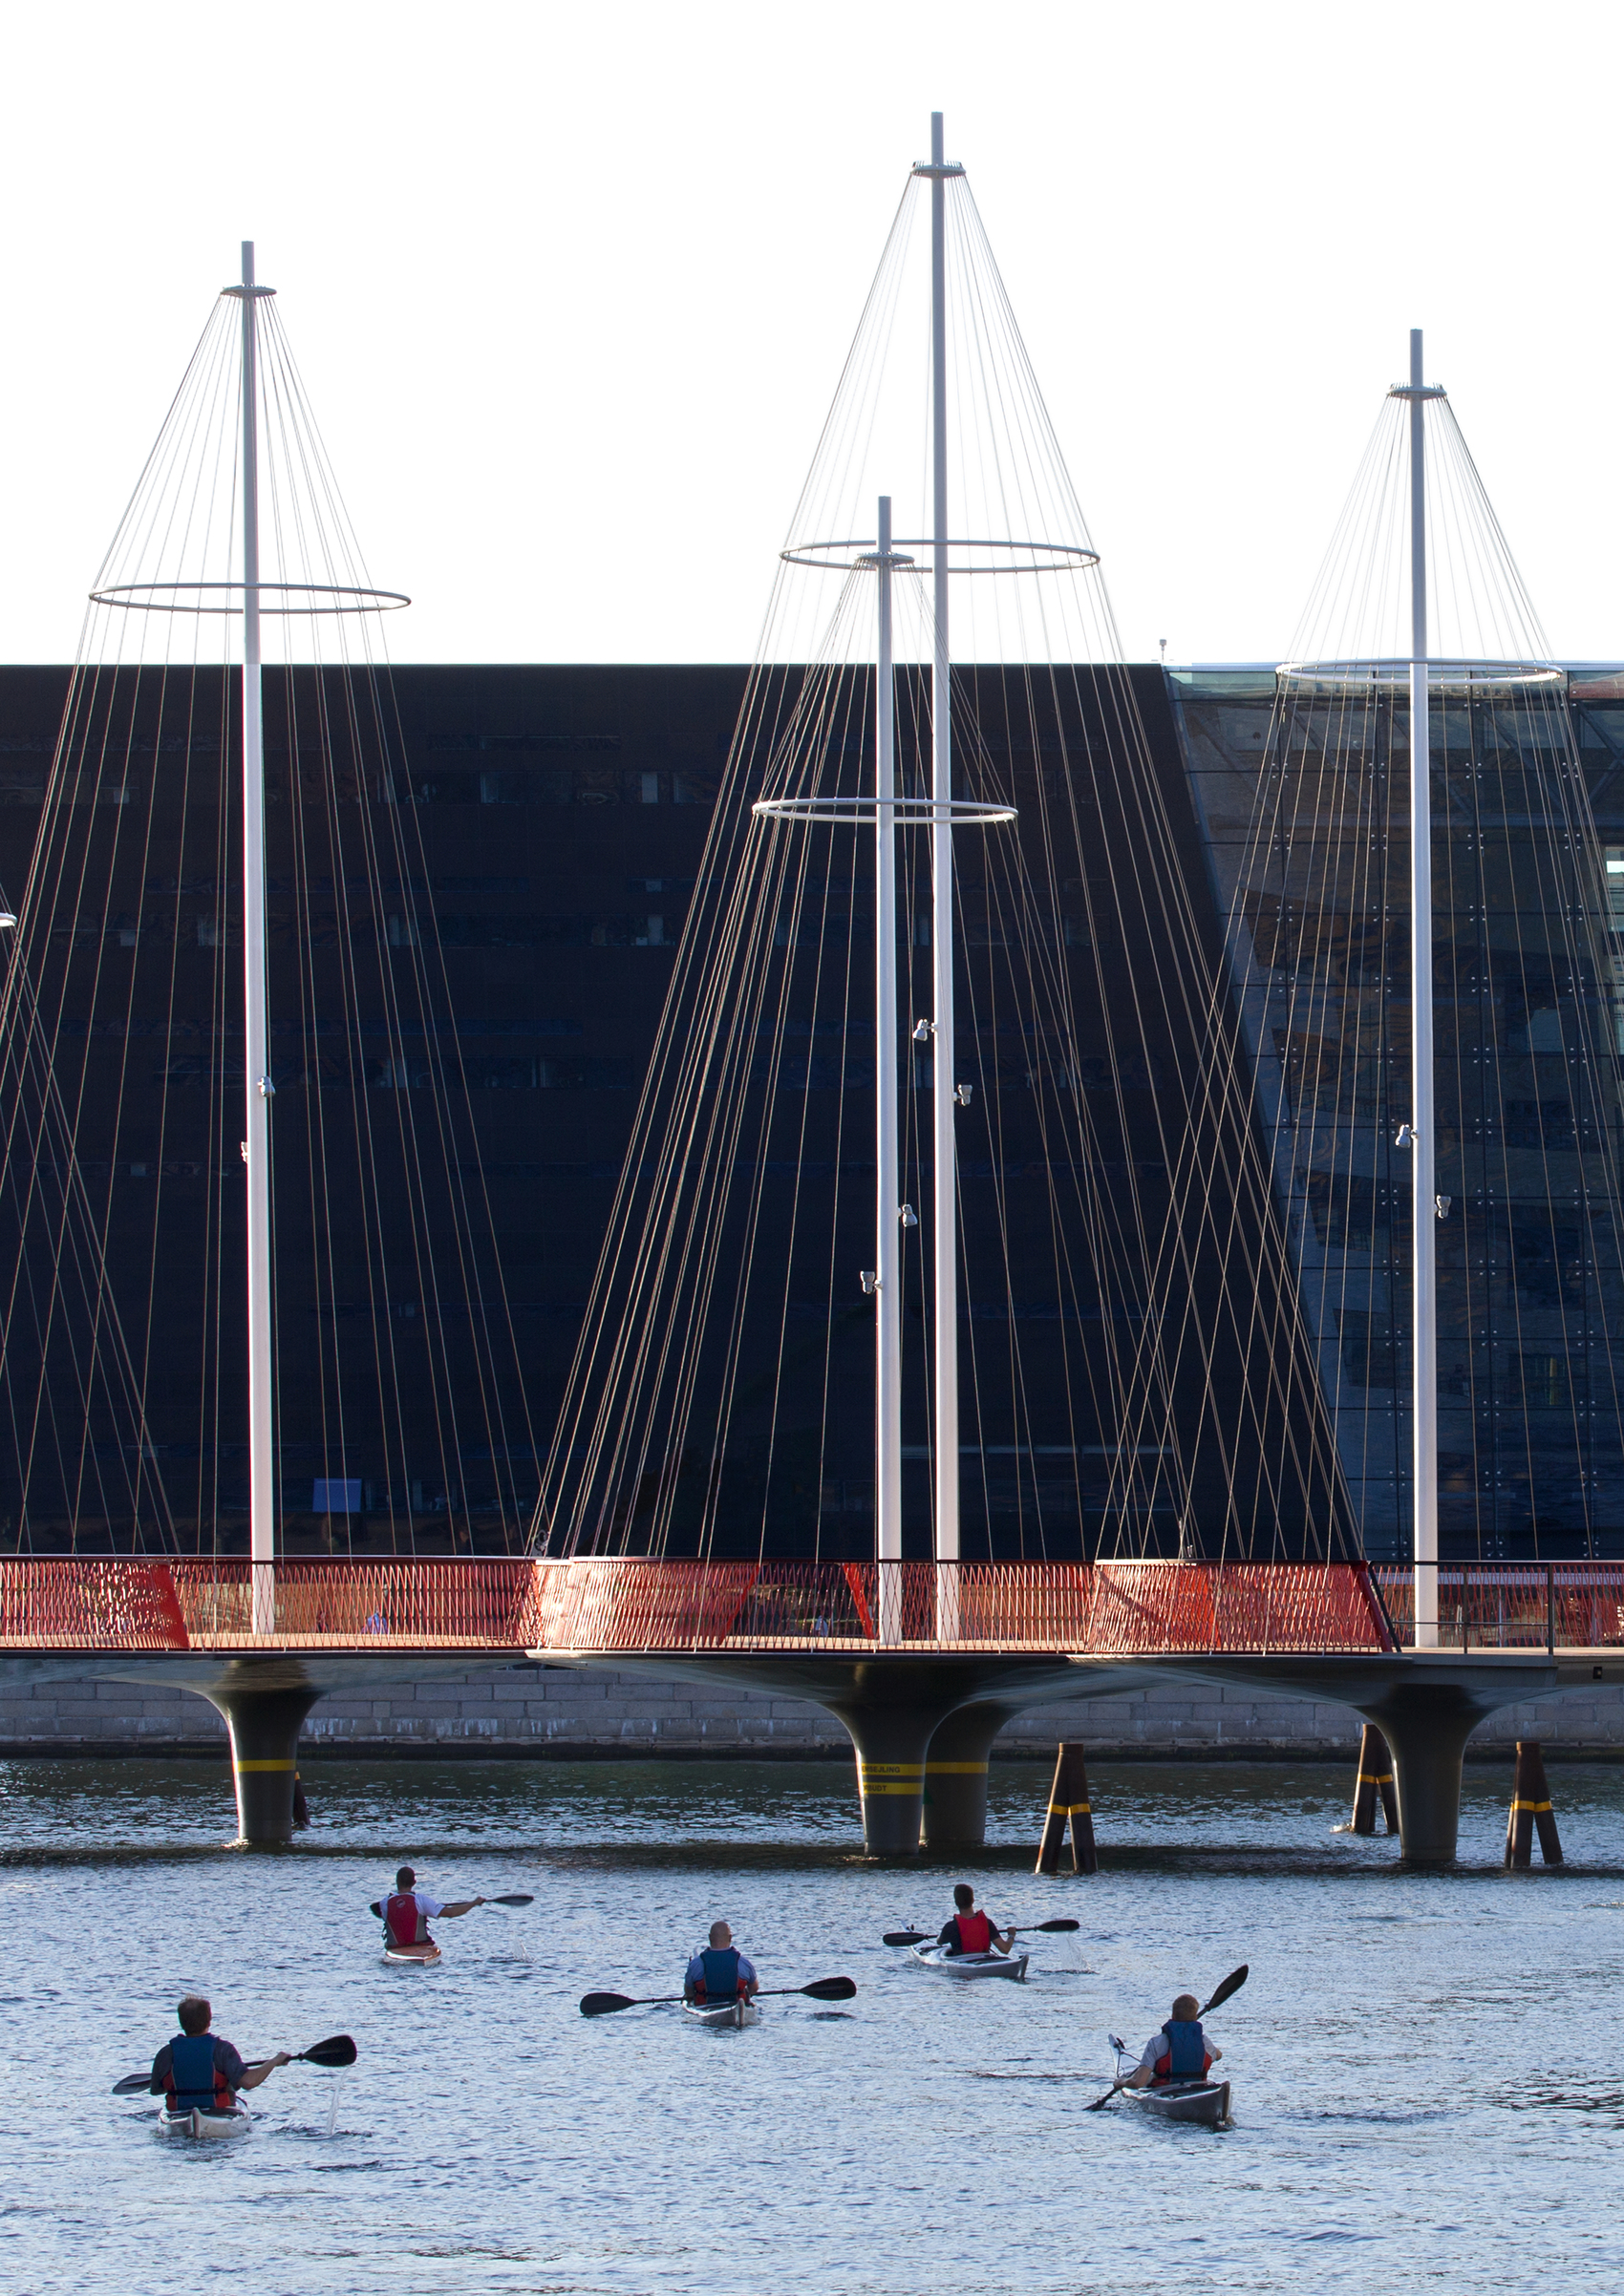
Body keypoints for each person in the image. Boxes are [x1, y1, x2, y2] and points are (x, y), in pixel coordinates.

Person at [149, 1995, 288, 2119]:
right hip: (219, 2113)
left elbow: (156, 2090)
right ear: (209, 2021)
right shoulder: (223, 2050)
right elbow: (248, 2082)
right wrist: (274, 2061)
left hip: (179, 2113)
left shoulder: (165, 2053)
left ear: (181, 2022)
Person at [1127, 1992, 1223, 2088]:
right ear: (1195, 2018)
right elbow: (1219, 2055)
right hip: (1196, 2089)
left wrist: (1121, 2082)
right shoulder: (1205, 2042)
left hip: (1164, 2091)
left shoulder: (1156, 2043)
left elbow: (1138, 2083)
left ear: (1173, 2015)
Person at [382, 1864, 484, 1951]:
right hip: (420, 1948)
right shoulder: (421, 1900)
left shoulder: (384, 1903)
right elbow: (450, 1913)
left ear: (397, 1881)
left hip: (395, 1949)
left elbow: (383, 1912)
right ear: (414, 1882)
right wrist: (473, 1903)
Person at [684, 1920, 759, 2005]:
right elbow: (754, 1989)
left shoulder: (696, 1964)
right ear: (730, 1938)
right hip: (735, 2005)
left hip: (705, 2007)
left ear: (710, 1937)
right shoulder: (743, 1962)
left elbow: (689, 1992)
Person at [937, 1882, 1014, 1957]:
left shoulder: (950, 1927)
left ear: (956, 1903)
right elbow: (1005, 1949)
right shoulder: (987, 1923)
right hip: (984, 1961)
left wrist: (939, 1936)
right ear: (973, 1900)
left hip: (961, 1962)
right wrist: (1011, 1935)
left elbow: (939, 1942)